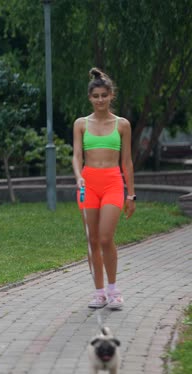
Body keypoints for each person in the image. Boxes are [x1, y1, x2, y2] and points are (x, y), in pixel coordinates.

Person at [72, 67, 136, 310]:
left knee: (106, 237)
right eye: (95, 96)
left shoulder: (122, 125)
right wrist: (78, 177)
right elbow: (77, 156)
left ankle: (113, 290)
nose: (100, 100)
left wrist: (130, 194)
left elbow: (127, 162)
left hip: (112, 182)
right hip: (88, 183)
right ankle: (98, 293)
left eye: (103, 96)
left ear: (111, 96)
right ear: (90, 98)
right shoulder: (81, 124)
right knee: (93, 239)